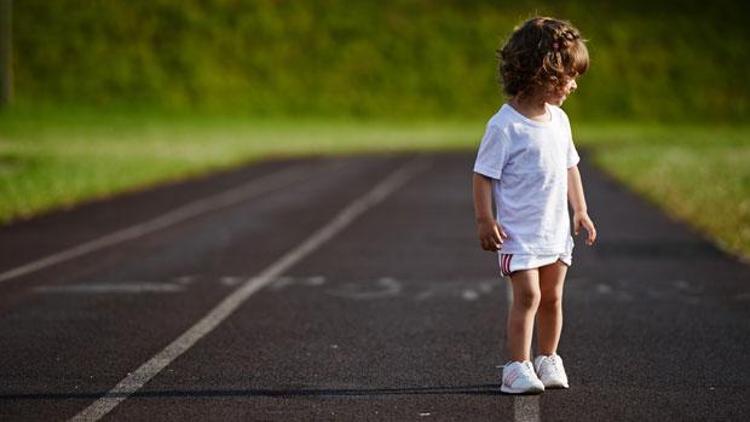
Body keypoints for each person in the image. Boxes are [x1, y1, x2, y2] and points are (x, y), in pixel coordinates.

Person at [472, 16, 597, 395]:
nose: (574, 85)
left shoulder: (560, 120)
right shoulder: (504, 126)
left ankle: (548, 357)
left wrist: (580, 209)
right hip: (519, 234)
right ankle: (517, 366)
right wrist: (484, 219)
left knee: (553, 296)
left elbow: (570, 166)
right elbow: (482, 176)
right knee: (528, 297)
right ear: (541, 71)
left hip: (554, 230)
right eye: (569, 76)